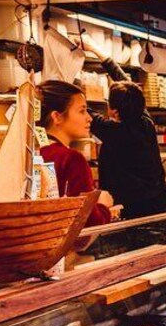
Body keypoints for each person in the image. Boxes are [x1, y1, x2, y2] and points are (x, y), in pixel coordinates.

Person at [80, 34, 166, 220]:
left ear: (115, 112)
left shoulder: (116, 132)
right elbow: (127, 84)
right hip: (163, 207)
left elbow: (82, 108)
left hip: (139, 215)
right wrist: (97, 51)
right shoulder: (144, 121)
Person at [36, 80, 113, 226]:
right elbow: (89, 221)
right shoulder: (71, 159)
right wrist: (104, 206)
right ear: (57, 117)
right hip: (66, 247)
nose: (89, 118)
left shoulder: (33, 153)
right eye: (82, 111)